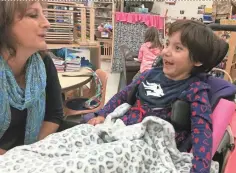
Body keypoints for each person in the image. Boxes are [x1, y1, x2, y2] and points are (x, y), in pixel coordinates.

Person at [85, 20, 226, 172]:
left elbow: (202, 132)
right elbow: (122, 95)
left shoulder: (195, 90)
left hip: (145, 148)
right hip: (120, 131)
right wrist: (102, 114)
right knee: (82, 136)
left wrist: (199, 170)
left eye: (177, 48)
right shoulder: (149, 74)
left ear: (197, 60)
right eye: (167, 44)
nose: (165, 52)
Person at [0, 1, 65, 154]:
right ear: (4, 23)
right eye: (33, 15)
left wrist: (31, 152)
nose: (47, 23)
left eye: (44, 15)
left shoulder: (43, 62)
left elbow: (54, 114)